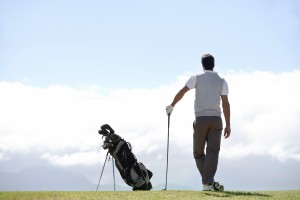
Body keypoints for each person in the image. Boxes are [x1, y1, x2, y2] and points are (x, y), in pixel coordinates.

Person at [166, 54, 231, 191]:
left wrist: (172, 105)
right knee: (213, 152)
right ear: (214, 65)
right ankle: (209, 182)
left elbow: (182, 92)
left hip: (201, 119)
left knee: (198, 153)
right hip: (216, 120)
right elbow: (225, 104)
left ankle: (207, 183)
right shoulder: (222, 81)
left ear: (202, 65)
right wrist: (228, 124)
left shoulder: (196, 78)